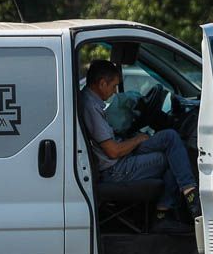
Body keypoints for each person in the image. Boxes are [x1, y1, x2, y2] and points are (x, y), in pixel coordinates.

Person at [80, 59, 200, 232]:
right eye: (113, 86)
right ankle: (166, 213)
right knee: (174, 158)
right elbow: (113, 152)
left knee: (171, 138)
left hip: (121, 155)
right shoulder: (91, 107)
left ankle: (188, 191)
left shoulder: (90, 100)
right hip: (116, 169)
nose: (115, 91)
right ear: (102, 83)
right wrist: (137, 140)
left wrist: (135, 137)